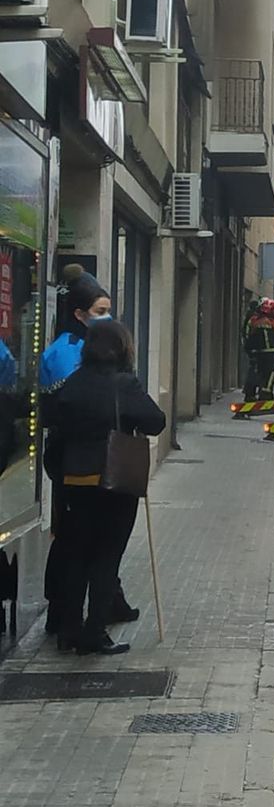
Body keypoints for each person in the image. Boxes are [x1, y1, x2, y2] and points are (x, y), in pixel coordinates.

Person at [42, 319, 166, 655]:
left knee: (76, 556)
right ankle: (94, 632)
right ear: (123, 348)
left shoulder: (70, 385)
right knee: (106, 558)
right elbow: (156, 421)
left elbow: (50, 423)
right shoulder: (125, 385)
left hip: (74, 484)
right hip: (115, 483)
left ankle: (68, 631)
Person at [40, 268, 131, 636]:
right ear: (79, 314)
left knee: (83, 538)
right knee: (75, 539)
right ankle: (65, 615)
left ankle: (95, 606)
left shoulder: (89, 349)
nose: (106, 317)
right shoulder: (67, 352)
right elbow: (72, 408)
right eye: (99, 310)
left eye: (108, 310)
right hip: (73, 455)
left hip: (85, 455)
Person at [243, 299, 274, 400]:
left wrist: (249, 351)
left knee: (255, 373)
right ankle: (266, 394)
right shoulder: (271, 323)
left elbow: (246, 335)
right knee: (271, 374)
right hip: (271, 354)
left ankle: (250, 394)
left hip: (256, 353)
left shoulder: (253, 321)